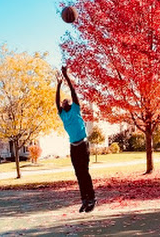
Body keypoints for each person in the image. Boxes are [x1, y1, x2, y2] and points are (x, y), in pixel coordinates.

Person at [56, 66, 96, 213]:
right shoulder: (63, 115)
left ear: (70, 104)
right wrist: (58, 85)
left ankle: (91, 198)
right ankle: (84, 200)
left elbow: (73, 92)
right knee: (78, 174)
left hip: (83, 145)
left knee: (84, 172)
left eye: (66, 102)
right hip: (73, 147)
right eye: (63, 103)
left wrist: (66, 76)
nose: (64, 103)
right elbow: (56, 101)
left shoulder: (75, 108)